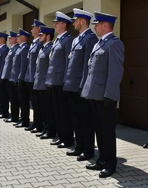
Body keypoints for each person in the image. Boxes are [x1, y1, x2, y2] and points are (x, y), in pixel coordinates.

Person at [81, 11, 124, 178]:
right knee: (99, 130)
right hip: (94, 95)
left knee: (107, 131)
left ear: (105, 25)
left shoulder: (114, 44)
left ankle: (111, 164)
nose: (95, 27)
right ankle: (102, 159)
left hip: (105, 97)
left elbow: (116, 72)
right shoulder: (99, 44)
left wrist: (110, 95)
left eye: (97, 24)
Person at [63, 8, 98, 161]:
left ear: (82, 21)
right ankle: (79, 146)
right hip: (72, 85)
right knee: (76, 119)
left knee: (85, 120)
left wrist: (83, 87)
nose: (73, 23)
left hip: (80, 87)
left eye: (75, 20)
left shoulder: (90, 39)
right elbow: (70, 63)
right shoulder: (77, 39)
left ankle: (88, 150)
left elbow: (87, 66)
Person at [46, 11, 74, 148]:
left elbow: (69, 63)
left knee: (64, 112)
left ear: (64, 24)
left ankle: (68, 138)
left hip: (61, 81)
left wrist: (65, 81)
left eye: (57, 23)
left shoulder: (68, 39)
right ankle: (61, 136)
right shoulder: (58, 39)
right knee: (57, 111)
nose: (54, 25)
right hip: (54, 81)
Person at [32, 25, 56, 139]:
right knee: (42, 108)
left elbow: (51, 67)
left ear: (48, 36)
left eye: (42, 35)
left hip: (45, 84)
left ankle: (50, 130)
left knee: (48, 109)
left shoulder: (50, 48)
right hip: (39, 83)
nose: (39, 36)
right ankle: (45, 128)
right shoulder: (42, 48)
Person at [24, 19, 45, 133]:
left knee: (38, 104)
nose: (31, 30)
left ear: (38, 29)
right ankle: (36, 123)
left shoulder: (39, 44)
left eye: (33, 28)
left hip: (35, 78)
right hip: (30, 77)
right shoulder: (33, 44)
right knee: (35, 103)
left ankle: (39, 124)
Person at [9, 28, 30, 128]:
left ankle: (25, 120)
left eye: (18, 36)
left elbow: (23, 65)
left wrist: (20, 78)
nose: (16, 37)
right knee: (20, 100)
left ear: (23, 37)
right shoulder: (19, 48)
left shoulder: (25, 48)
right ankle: (22, 119)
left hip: (20, 79)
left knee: (23, 101)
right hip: (16, 78)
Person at [1, 31, 20, 123]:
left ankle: (15, 116)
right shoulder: (12, 49)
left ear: (15, 39)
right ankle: (13, 115)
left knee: (14, 99)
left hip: (12, 77)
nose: (9, 39)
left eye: (10, 38)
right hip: (9, 77)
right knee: (11, 98)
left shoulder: (16, 48)